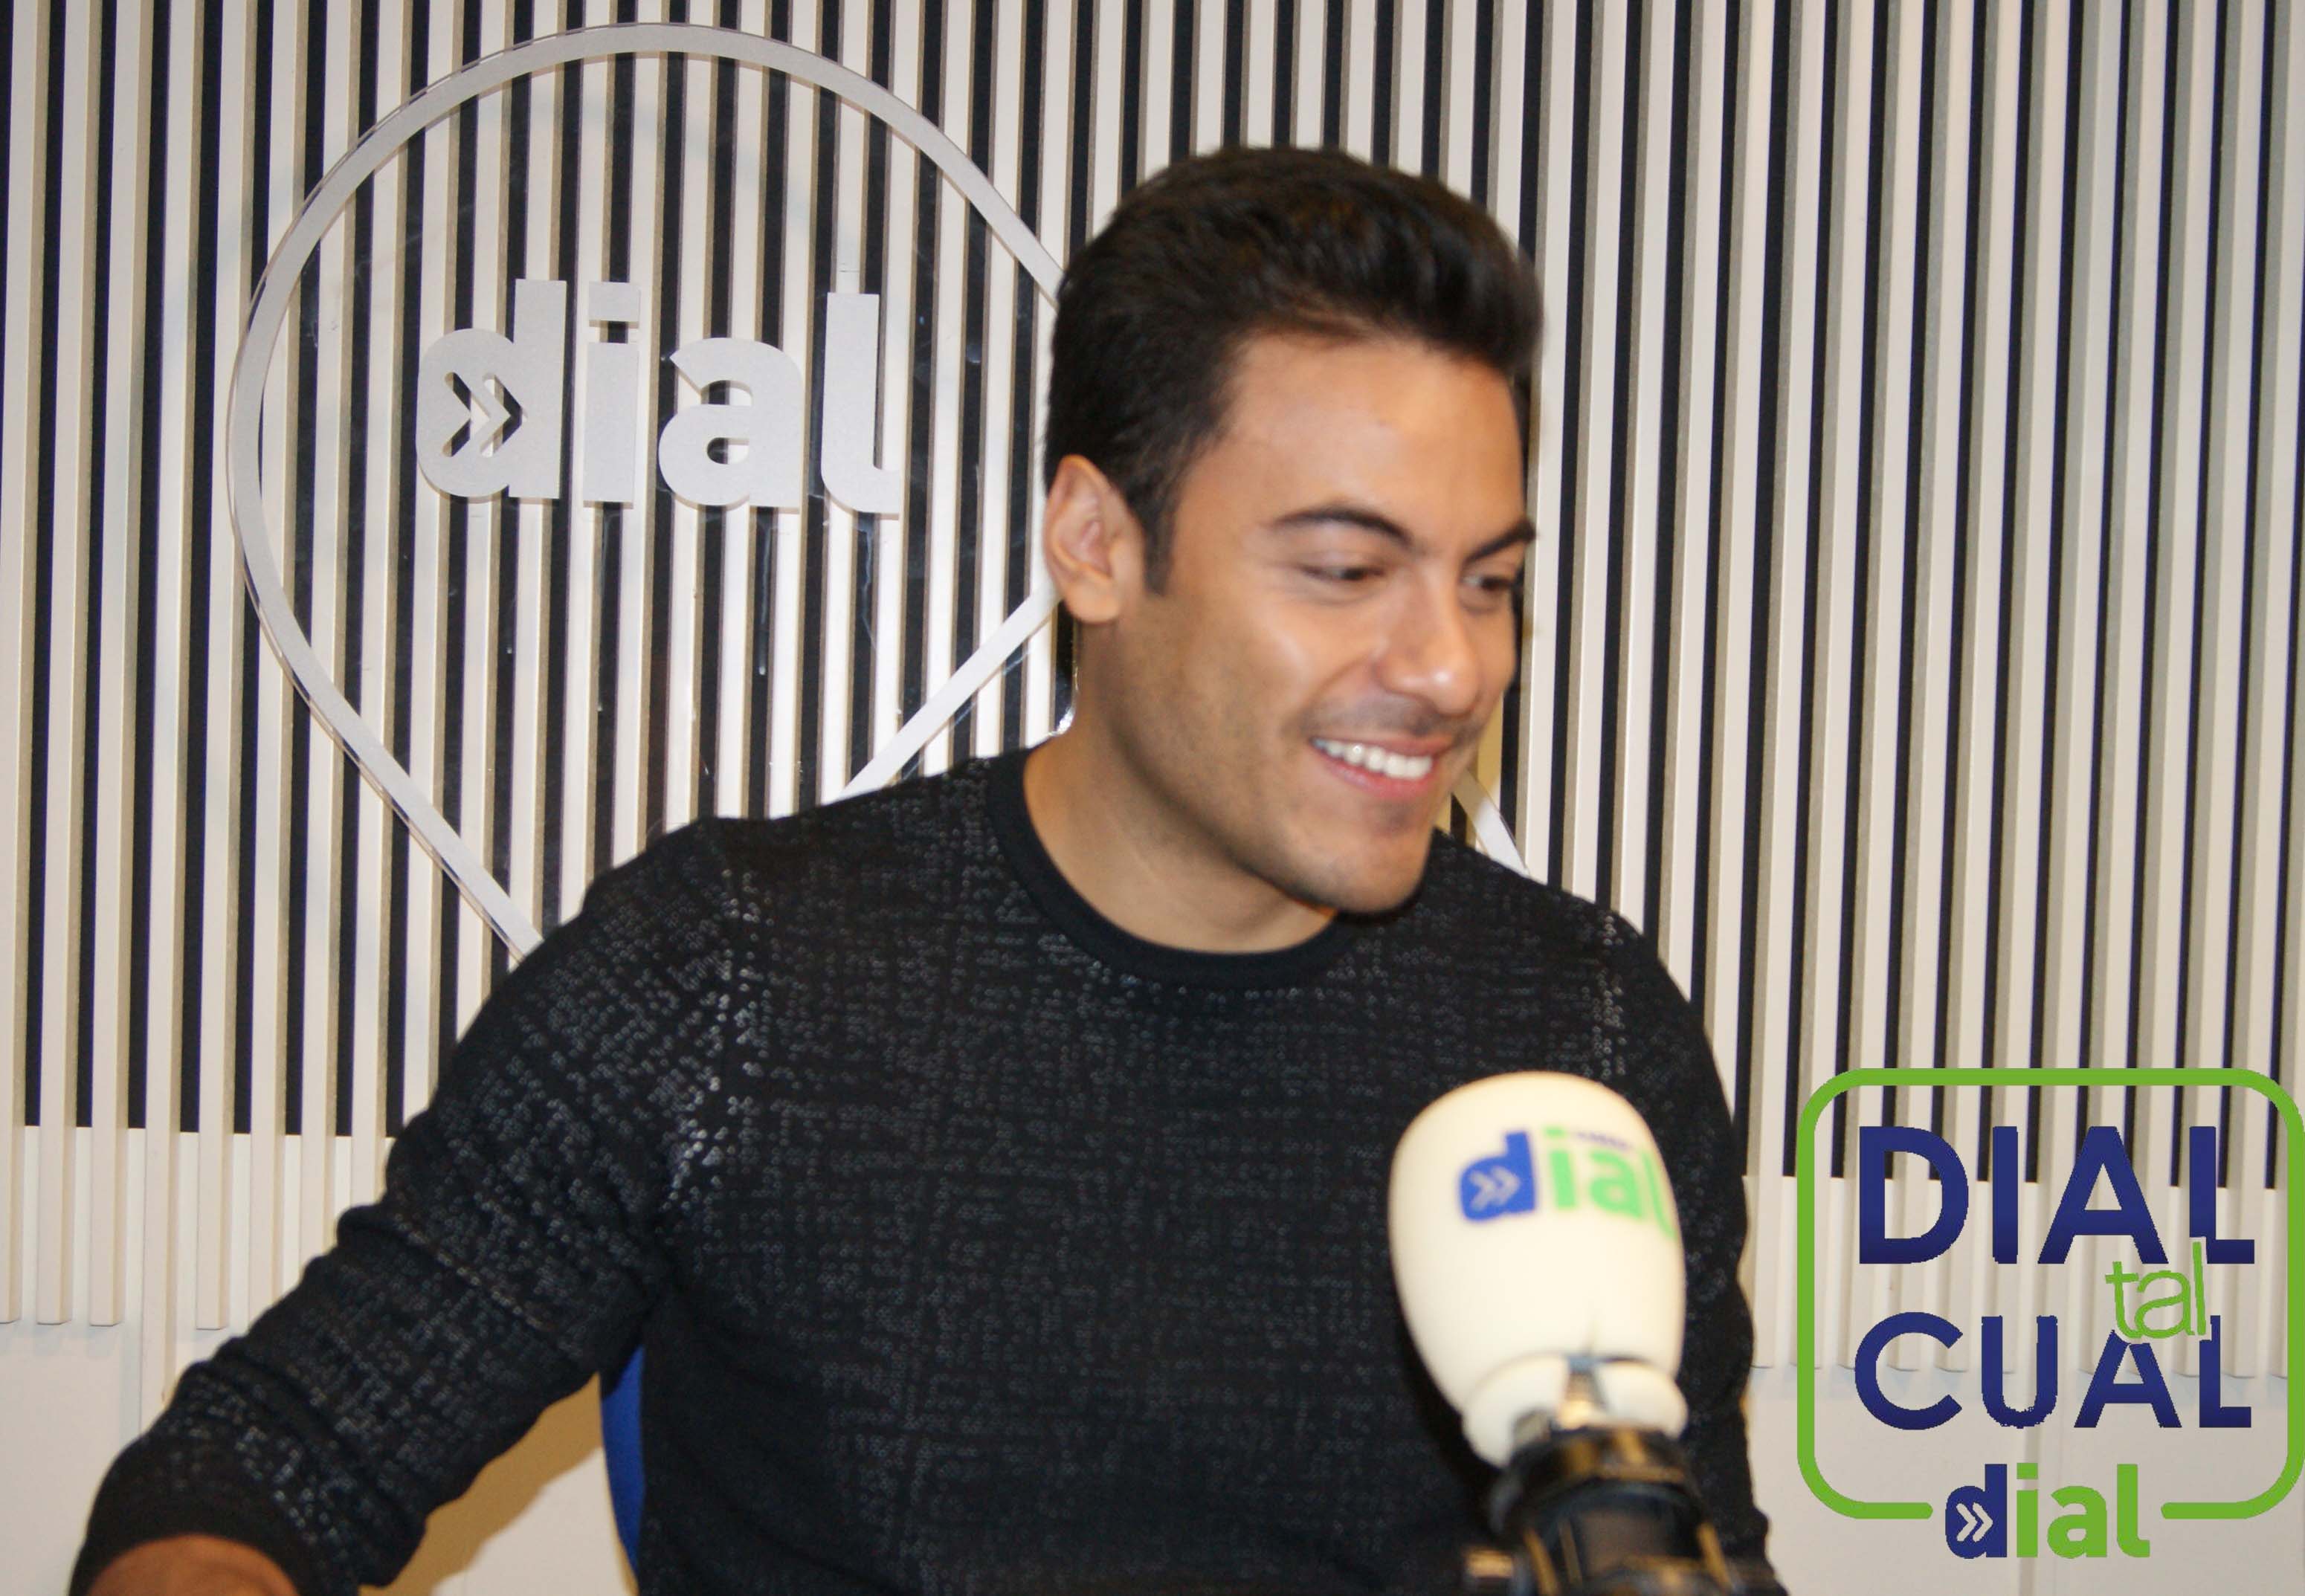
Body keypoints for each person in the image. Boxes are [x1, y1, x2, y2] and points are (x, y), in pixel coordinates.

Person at [75, 145, 1779, 1596]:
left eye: (1488, 581)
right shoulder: (731, 975)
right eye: (1345, 569)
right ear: (1095, 544)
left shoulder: (1579, 1028)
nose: (1451, 667)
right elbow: (259, 1469)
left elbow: (1700, 1544)